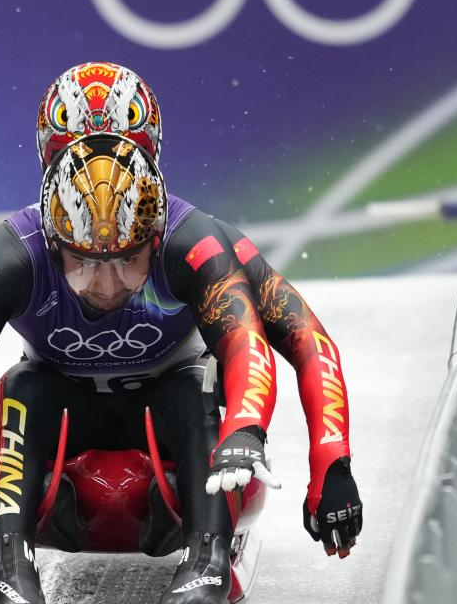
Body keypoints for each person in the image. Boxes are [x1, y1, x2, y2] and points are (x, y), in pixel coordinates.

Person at [0, 132, 280, 604]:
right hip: (63, 421)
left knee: (200, 388)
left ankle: (207, 555)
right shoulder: (9, 256)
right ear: (52, 243)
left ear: (155, 238)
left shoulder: (191, 243)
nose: (107, 286)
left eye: (128, 261)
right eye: (84, 264)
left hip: (172, 417)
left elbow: (250, 343)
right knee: (19, 387)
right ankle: (9, 564)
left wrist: (248, 430)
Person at [37, 62, 363, 558]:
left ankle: (200, 521)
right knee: (13, 402)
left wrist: (331, 465)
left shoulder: (201, 243)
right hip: (69, 442)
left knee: (199, 393)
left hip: (180, 444)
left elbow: (306, 339)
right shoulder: (25, 248)